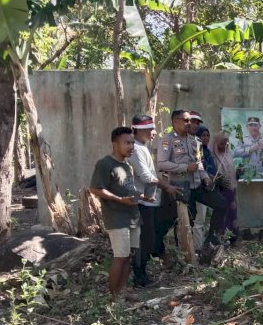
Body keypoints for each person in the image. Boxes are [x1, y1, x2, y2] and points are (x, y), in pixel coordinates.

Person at [156, 109, 228, 250]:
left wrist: (206, 179)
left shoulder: (196, 141)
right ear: (175, 122)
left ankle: (211, 239)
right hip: (179, 187)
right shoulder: (167, 140)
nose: (190, 124)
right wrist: (184, 167)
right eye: (186, 121)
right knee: (170, 221)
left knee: (221, 203)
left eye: (192, 121)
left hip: (197, 186)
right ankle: (157, 247)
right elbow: (161, 164)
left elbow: (199, 164)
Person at [89, 127, 149, 296]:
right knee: (120, 257)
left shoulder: (127, 165)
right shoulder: (105, 164)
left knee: (129, 256)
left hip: (133, 217)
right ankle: (114, 296)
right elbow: (95, 189)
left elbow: (129, 189)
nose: (131, 146)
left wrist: (143, 196)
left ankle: (123, 291)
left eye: (132, 143)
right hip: (116, 218)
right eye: (127, 143)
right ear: (115, 144)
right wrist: (119, 200)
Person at [127, 114, 180, 286]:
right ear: (139, 131)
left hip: (149, 200)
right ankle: (139, 277)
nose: (154, 133)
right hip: (141, 202)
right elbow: (146, 176)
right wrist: (166, 186)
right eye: (150, 129)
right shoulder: (135, 148)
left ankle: (141, 273)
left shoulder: (142, 147)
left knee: (151, 237)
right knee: (144, 240)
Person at [208, 132, 240, 243]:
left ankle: (232, 237)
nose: (224, 146)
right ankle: (222, 238)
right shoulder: (212, 156)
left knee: (232, 214)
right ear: (216, 144)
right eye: (222, 144)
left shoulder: (228, 154)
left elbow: (231, 172)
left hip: (231, 189)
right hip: (219, 190)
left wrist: (238, 172)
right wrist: (217, 179)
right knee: (223, 214)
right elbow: (211, 174)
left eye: (226, 144)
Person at [192, 125, 215, 249]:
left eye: (207, 135)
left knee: (208, 219)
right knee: (199, 219)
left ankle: (206, 245)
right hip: (200, 189)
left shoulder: (208, 152)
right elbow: (199, 169)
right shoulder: (198, 152)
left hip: (209, 189)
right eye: (203, 135)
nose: (206, 138)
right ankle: (197, 248)